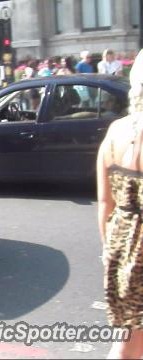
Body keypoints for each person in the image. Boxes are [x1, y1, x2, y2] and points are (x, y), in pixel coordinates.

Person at [97, 49, 143, 359]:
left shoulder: (115, 132)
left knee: (127, 342)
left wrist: (110, 251)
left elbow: (104, 203)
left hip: (120, 246)